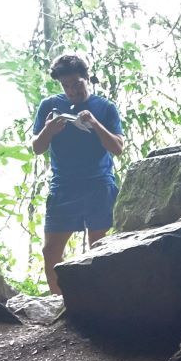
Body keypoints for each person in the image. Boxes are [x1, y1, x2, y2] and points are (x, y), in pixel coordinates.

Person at [29, 53, 124, 294]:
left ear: (87, 78)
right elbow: (37, 148)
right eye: (66, 86)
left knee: (100, 249)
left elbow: (118, 148)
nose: (72, 90)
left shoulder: (105, 107)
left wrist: (93, 123)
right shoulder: (49, 105)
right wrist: (49, 130)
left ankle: (102, 300)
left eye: (76, 84)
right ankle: (57, 303)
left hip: (99, 185)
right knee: (51, 251)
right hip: (63, 187)